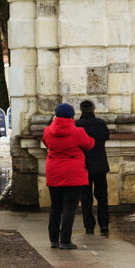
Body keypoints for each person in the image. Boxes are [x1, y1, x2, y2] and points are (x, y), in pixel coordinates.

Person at [41, 102, 94, 250]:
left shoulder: (47, 131)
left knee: (55, 207)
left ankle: (53, 240)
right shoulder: (78, 132)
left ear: (56, 115)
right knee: (69, 207)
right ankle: (65, 240)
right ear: (72, 116)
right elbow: (90, 144)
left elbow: (46, 143)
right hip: (73, 174)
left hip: (54, 172)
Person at [76, 100, 111, 236]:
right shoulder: (101, 123)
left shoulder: (77, 125)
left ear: (81, 110)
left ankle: (89, 226)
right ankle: (104, 225)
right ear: (93, 109)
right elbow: (106, 137)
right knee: (102, 196)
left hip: (84, 166)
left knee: (86, 197)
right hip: (100, 166)